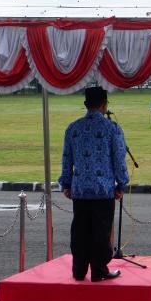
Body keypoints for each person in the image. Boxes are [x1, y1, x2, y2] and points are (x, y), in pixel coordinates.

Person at [58, 87, 128, 282]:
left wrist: (66, 183)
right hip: (103, 190)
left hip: (80, 190)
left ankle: (79, 270)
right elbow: (119, 159)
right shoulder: (112, 128)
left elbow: (67, 159)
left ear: (86, 105)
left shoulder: (73, 128)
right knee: (101, 231)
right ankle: (99, 270)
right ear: (104, 105)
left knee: (79, 230)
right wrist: (121, 185)